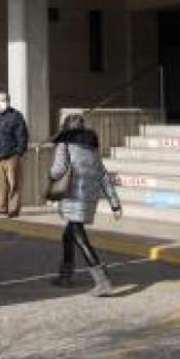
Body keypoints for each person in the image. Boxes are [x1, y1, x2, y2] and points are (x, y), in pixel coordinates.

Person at [49, 114, 122, 294]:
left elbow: (57, 170)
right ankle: (66, 275)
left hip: (73, 197)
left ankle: (102, 280)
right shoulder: (91, 148)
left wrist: (50, 175)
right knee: (68, 235)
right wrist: (115, 203)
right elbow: (103, 175)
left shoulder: (64, 145)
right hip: (89, 198)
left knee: (79, 237)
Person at [0, 91, 29, 218]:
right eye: (0, 99)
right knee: (0, 184)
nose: (3, 102)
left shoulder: (16, 116)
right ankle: (2, 207)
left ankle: (13, 209)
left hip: (11, 156)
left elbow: (23, 135)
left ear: (9, 101)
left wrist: (19, 152)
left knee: (14, 183)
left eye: (5, 99)